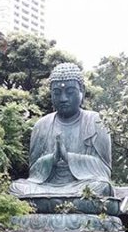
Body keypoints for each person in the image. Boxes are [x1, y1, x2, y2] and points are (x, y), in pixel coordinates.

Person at [9, 62, 114, 201]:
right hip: (45, 188)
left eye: (70, 92)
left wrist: (69, 157)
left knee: (102, 187)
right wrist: (52, 159)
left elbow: (104, 170)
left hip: (82, 186)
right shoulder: (42, 125)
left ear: (82, 90)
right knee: (16, 188)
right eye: (57, 93)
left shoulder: (96, 121)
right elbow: (34, 172)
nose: (63, 98)